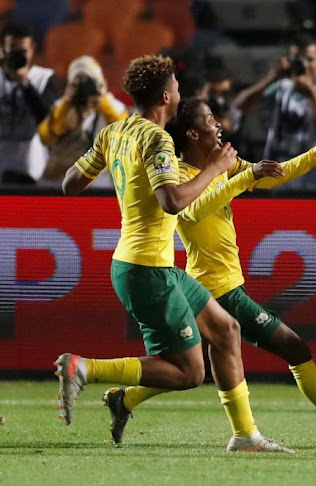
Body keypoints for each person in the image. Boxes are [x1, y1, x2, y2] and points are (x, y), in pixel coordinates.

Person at [101, 97, 316, 448]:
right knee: (293, 347)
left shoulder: (224, 166)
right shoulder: (177, 177)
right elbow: (191, 211)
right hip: (215, 289)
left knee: (194, 368)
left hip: (218, 285)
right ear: (194, 134)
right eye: (211, 119)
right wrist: (241, 178)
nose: (219, 124)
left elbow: (272, 174)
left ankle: (127, 399)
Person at [57, 55, 293, 454]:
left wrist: (119, 178)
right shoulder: (156, 138)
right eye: (178, 88)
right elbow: (172, 200)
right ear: (166, 95)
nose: (180, 93)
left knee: (226, 331)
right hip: (147, 269)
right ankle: (85, 368)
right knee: (188, 373)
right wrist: (217, 168)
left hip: (149, 263)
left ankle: (245, 436)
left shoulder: (114, 132)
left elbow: (70, 183)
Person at [233, 33, 316, 190]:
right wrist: (271, 77)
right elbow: (241, 106)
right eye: (298, 60)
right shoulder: (283, 87)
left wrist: (311, 97)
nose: (304, 65)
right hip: (277, 179)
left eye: (309, 59)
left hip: (313, 183)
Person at [38, 56, 128, 187]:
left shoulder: (114, 106)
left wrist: (102, 103)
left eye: (88, 82)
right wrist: (66, 105)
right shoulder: (60, 106)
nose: (83, 88)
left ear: (100, 82)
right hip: (59, 179)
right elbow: (45, 137)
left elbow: (125, 135)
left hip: (97, 182)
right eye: (77, 83)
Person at [0, 21, 59, 184]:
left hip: (32, 164)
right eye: (13, 50)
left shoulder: (45, 78)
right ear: (2, 50)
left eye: (23, 51)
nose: (18, 56)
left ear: (32, 49)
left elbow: (48, 119)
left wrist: (25, 82)